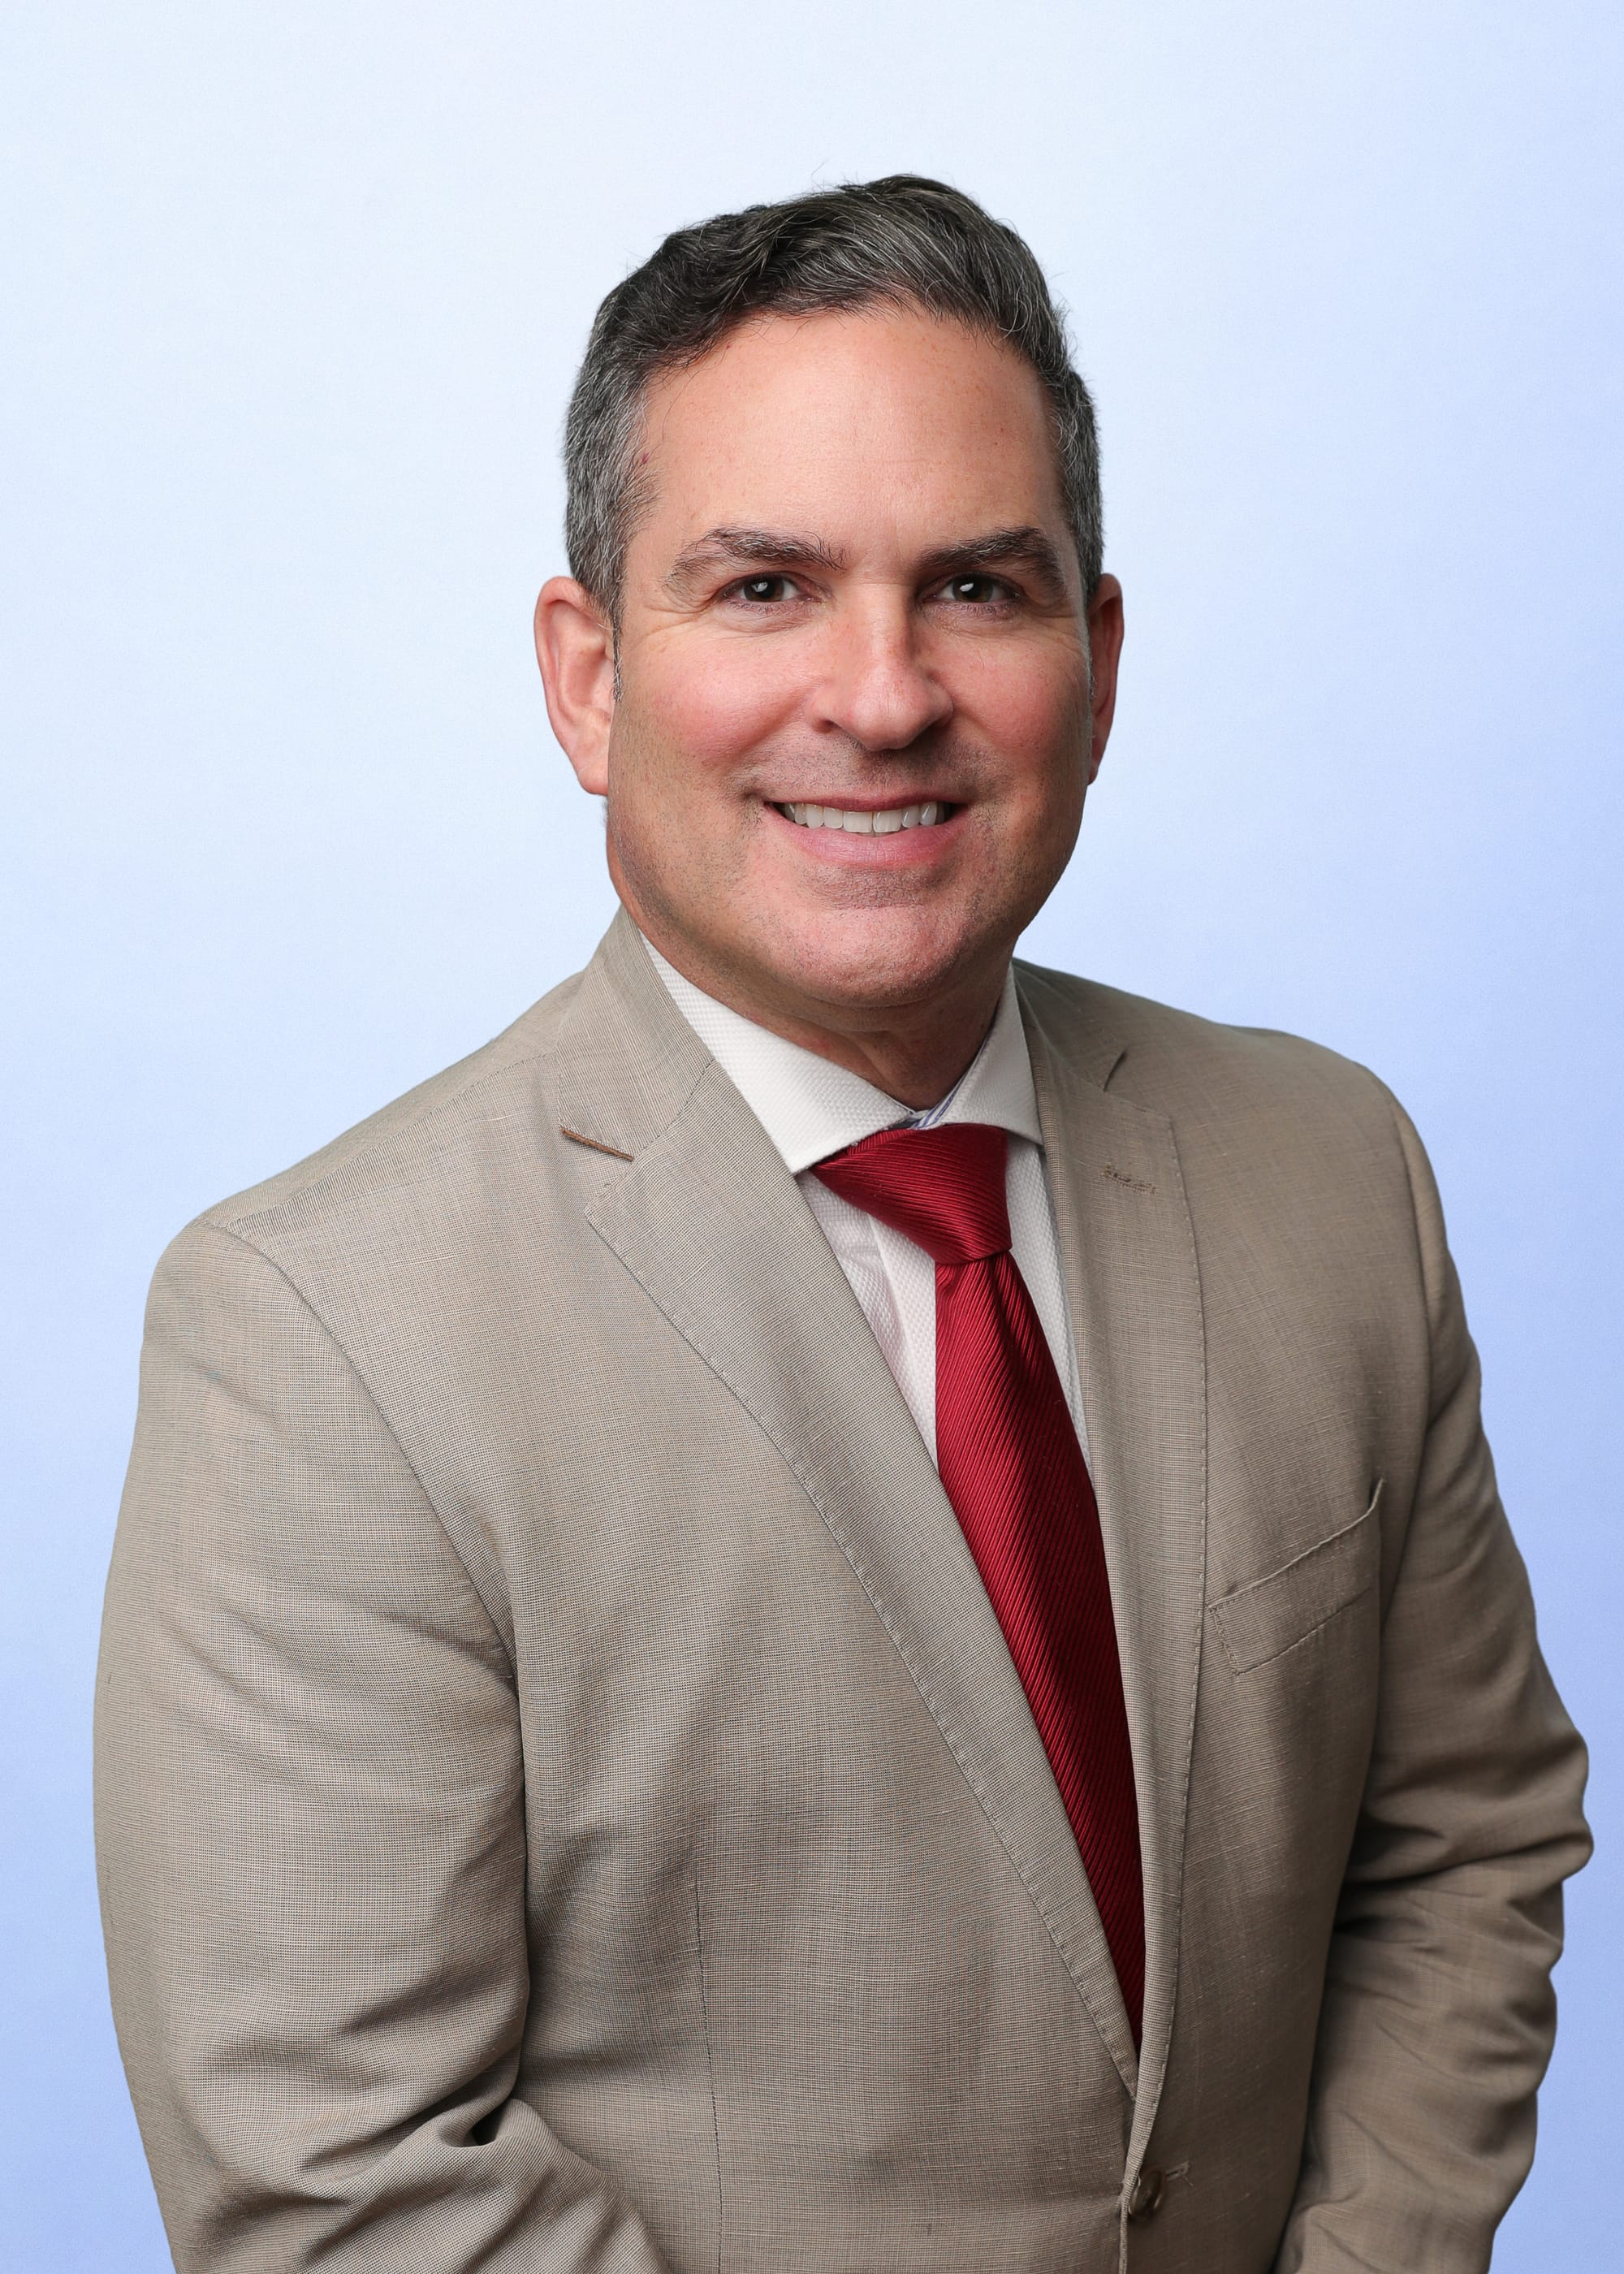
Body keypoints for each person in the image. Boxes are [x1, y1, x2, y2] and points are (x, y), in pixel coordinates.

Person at [95, 176, 1589, 2273]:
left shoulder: (1330, 1172)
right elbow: (340, 2179)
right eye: (767, 587)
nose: (883, 696)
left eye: (976, 586)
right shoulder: (320, 1335)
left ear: (1100, 662)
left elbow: (1465, 1848)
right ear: (590, 677)